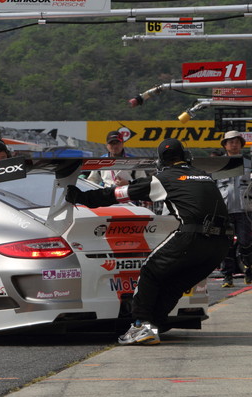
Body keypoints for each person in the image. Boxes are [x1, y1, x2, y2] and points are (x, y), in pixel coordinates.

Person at [65, 138, 230, 345]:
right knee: (173, 285)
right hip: (221, 244)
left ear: (161, 161)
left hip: (193, 236)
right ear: (186, 157)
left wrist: (82, 197)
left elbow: (118, 194)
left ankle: (140, 325)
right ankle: (153, 326)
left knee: (151, 270)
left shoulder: (164, 178)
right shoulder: (204, 176)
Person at [216, 130, 252, 287]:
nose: (234, 144)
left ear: (241, 145)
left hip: (245, 210)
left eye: (237, 142)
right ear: (225, 145)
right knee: (226, 244)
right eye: (231, 142)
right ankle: (227, 276)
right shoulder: (218, 165)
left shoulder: (249, 163)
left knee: (246, 243)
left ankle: (249, 271)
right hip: (225, 210)